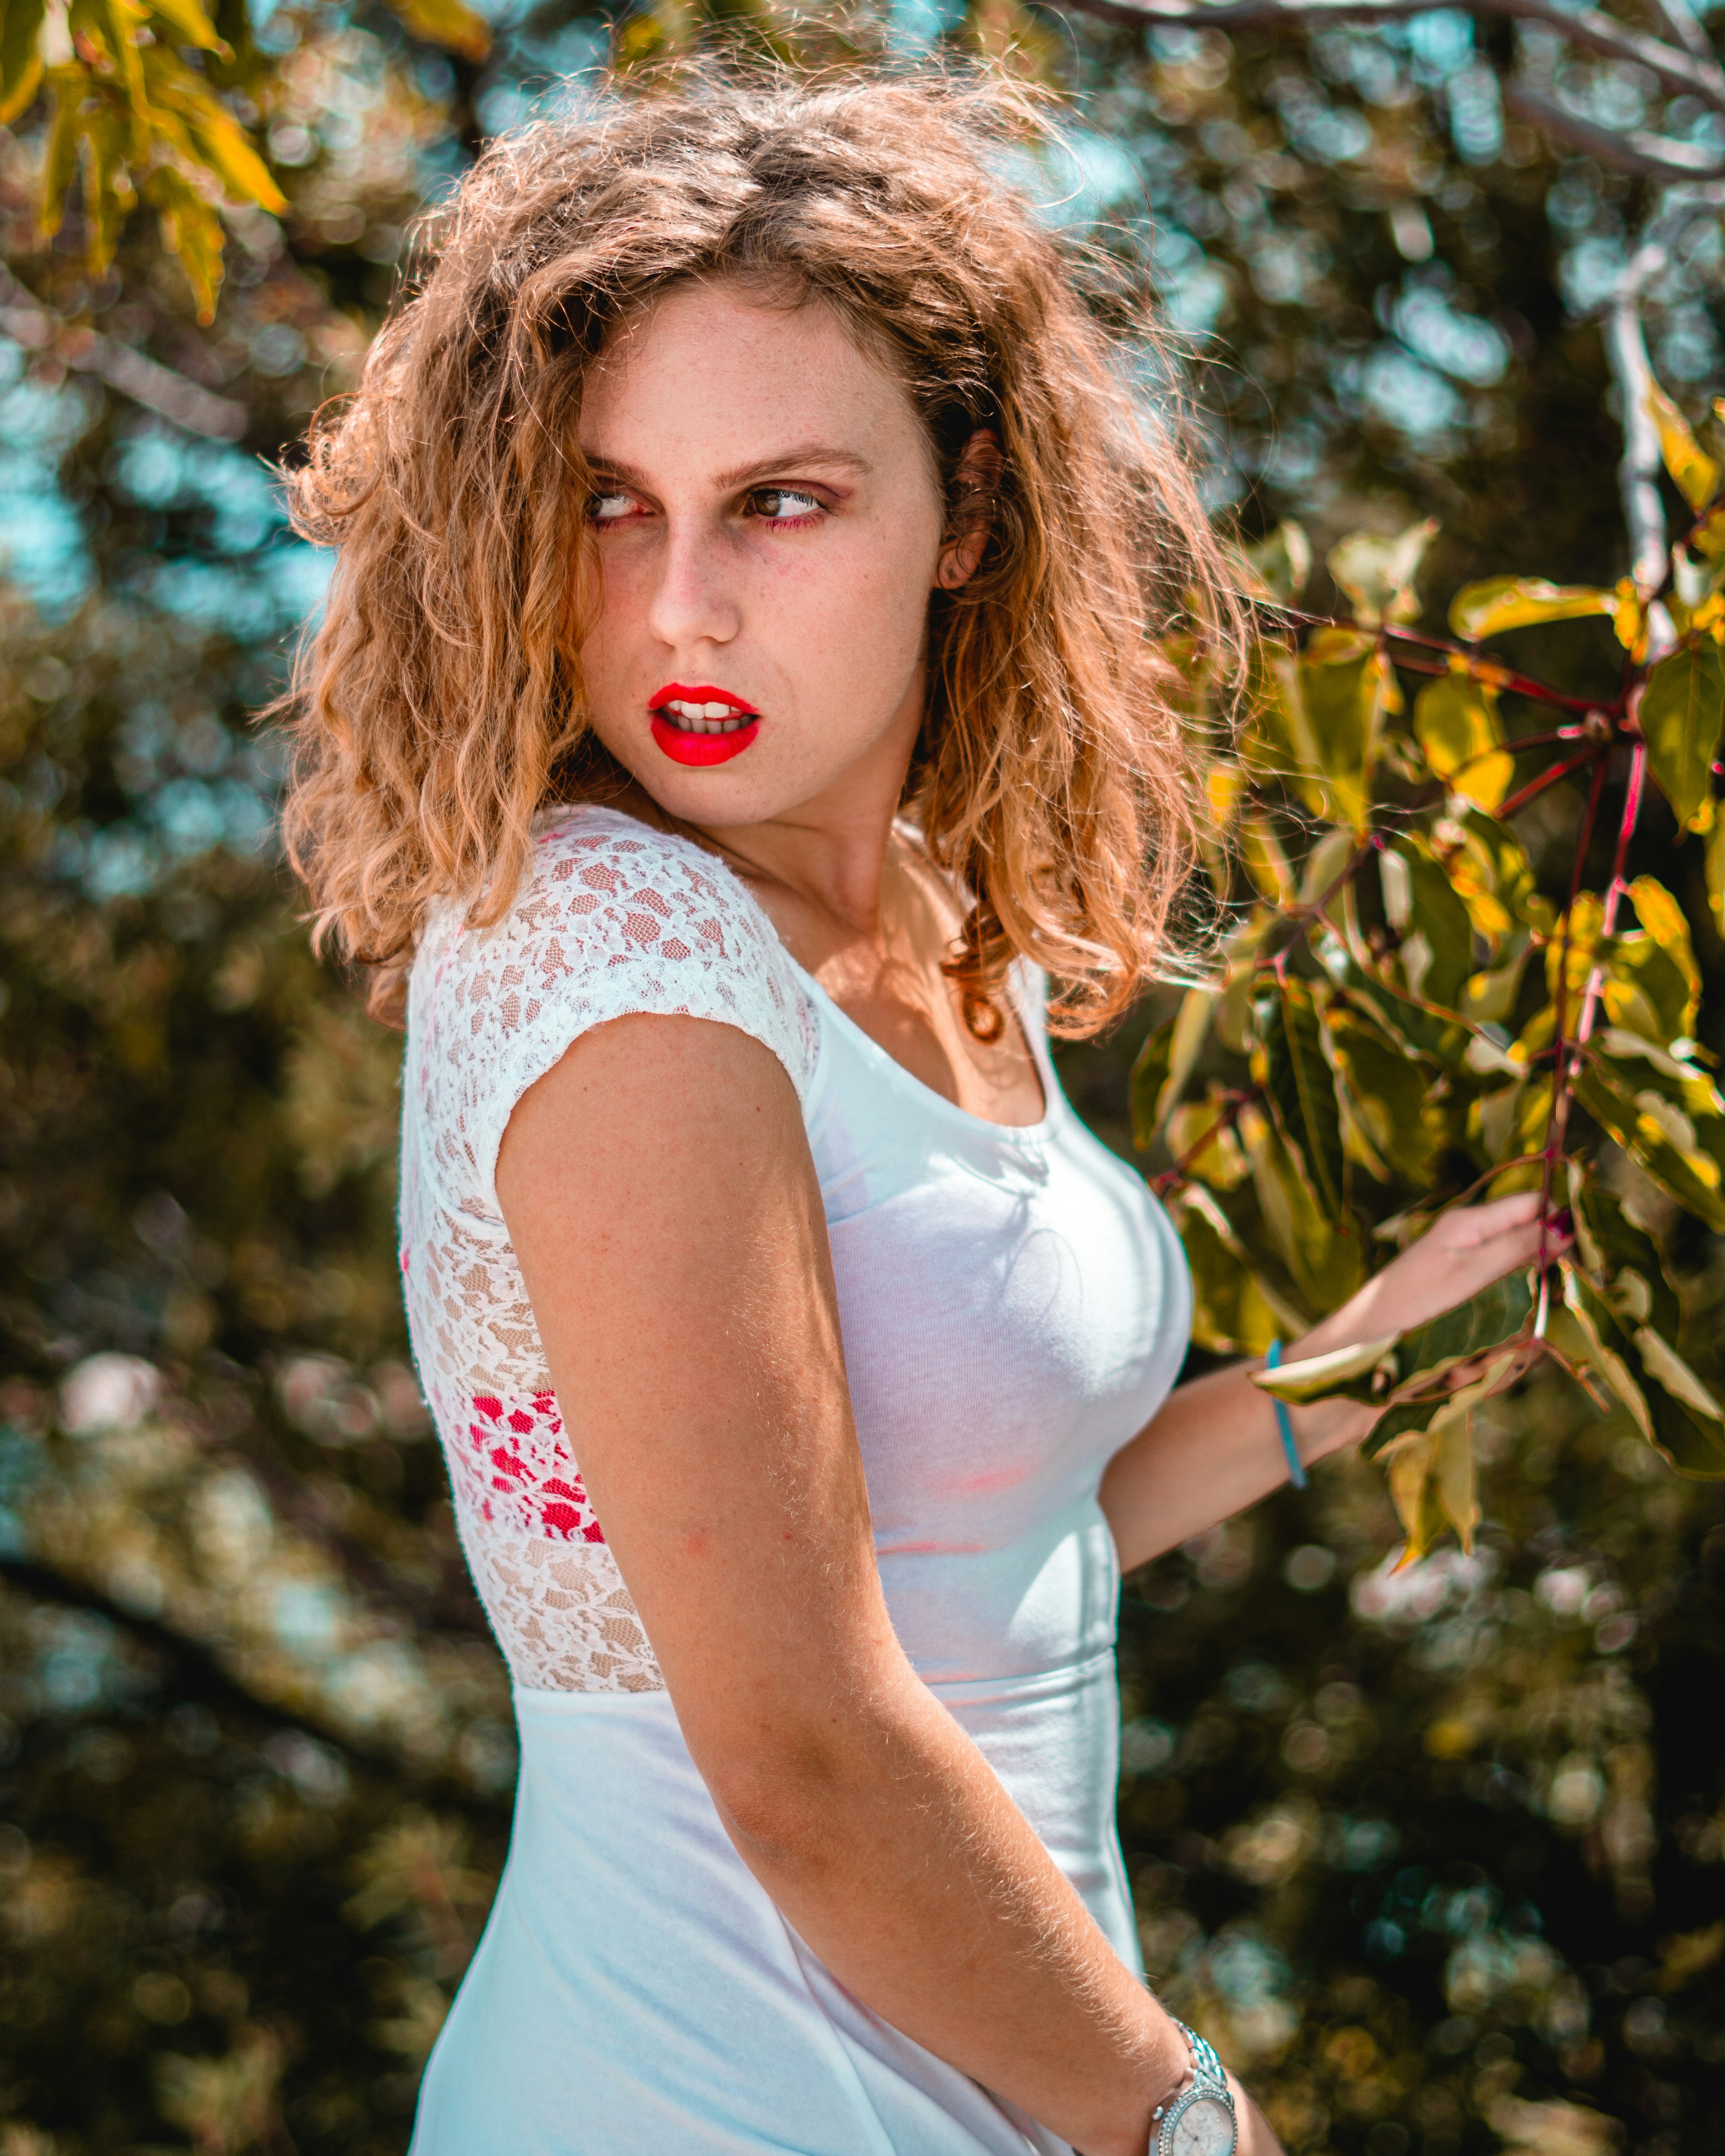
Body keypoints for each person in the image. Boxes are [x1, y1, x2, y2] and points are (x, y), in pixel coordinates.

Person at [279, 62, 1566, 2156]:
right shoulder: (617, 957)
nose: (682, 599)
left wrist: (1360, 1373)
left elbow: (995, 1548)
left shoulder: (920, 920)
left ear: (966, 511)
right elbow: (802, 1747)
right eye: (614, 500)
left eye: (781, 499)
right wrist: (1186, 2124)